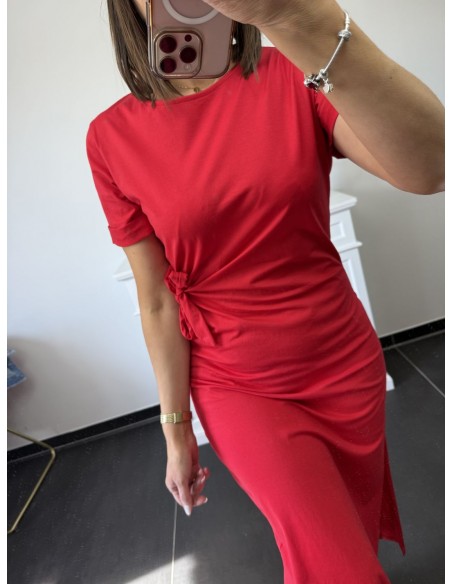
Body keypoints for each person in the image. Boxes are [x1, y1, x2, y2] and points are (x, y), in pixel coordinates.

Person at [86, 0, 444, 582]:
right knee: (338, 564)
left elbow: (430, 166)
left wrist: (301, 17)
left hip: (343, 358)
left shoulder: (297, 71)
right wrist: (176, 430)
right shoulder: (111, 138)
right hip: (240, 384)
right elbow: (156, 300)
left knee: (346, 532)